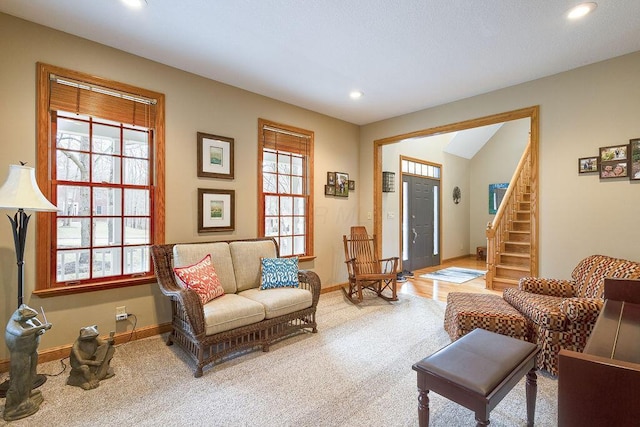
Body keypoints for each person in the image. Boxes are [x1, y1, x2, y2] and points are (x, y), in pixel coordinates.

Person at [4, 305, 52, 421]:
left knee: (32, 374)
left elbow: (38, 327)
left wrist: (42, 329)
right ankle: (17, 404)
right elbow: (21, 333)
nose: (31, 319)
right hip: (20, 355)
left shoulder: (29, 319)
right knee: (20, 377)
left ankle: (27, 395)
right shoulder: (13, 324)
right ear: (20, 315)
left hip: (32, 351)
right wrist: (40, 327)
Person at [67, 325, 116, 390]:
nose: (93, 339)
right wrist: (94, 363)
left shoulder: (94, 339)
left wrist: (110, 342)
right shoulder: (76, 346)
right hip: (78, 364)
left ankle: (97, 372)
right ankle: (90, 381)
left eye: (94, 337)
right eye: (90, 338)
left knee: (103, 354)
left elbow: (104, 343)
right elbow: (81, 361)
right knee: (85, 368)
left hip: (89, 359)